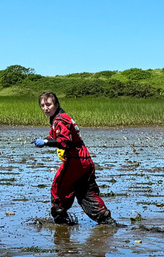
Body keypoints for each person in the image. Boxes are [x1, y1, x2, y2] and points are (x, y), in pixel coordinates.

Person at [32, 92, 116, 226]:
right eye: (42, 106)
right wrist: (46, 140)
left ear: (56, 104)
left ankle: (61, 220)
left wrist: (46, 142)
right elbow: (55, 136)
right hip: (84, 159)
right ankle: (106, 220)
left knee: (58, 188)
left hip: (75, 160)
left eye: (49, 104)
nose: (45, 108)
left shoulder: (60, 120)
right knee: (86, 192)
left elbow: (65, 141)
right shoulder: (59, 118)